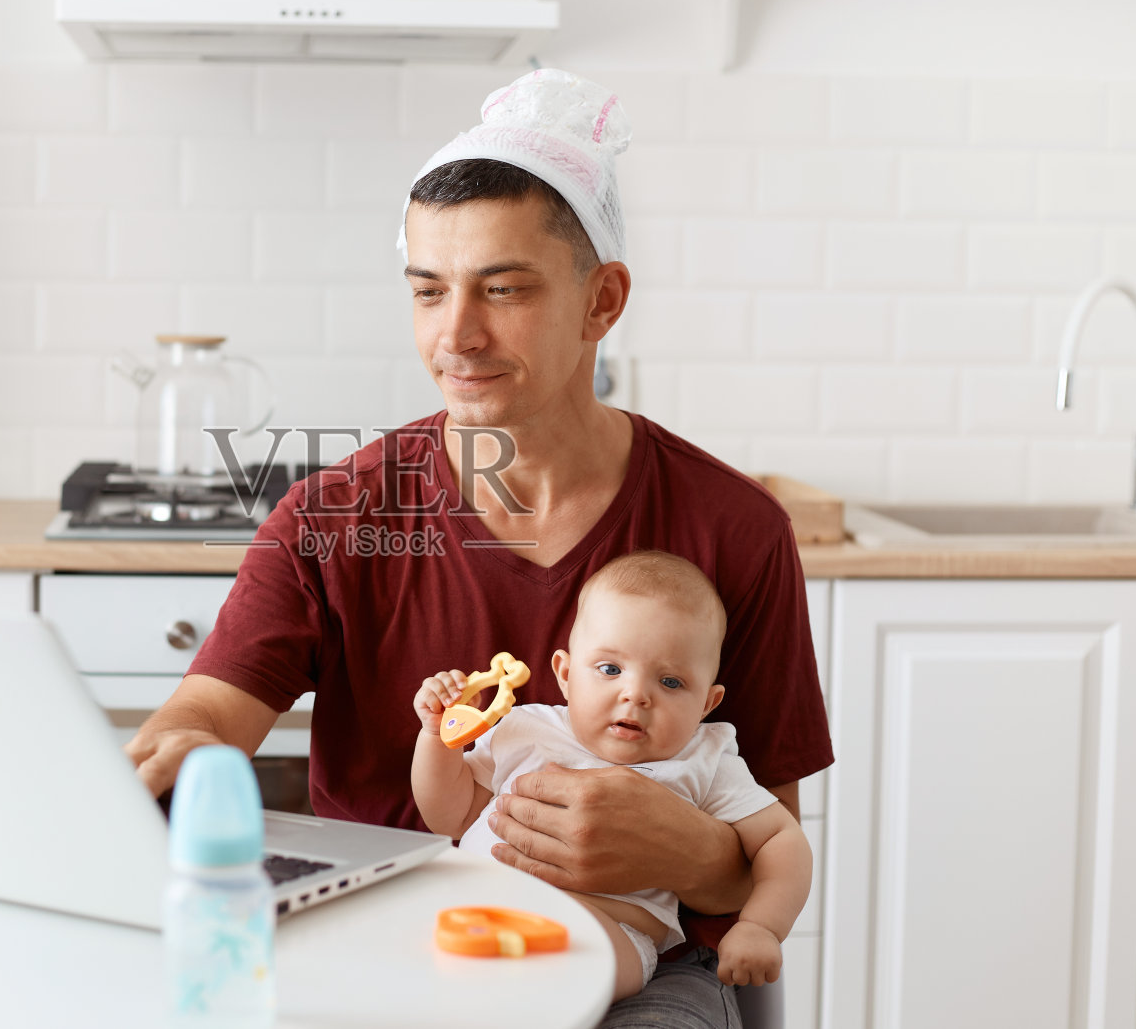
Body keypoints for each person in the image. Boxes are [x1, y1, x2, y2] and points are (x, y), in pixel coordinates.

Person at [126, 68, 832, 1027]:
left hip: (638, 967)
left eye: (501, 290)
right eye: (429, 292)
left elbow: (768, 843)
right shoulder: (332, 516)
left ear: (602, 301)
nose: (456, 334)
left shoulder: (736, 529)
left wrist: (685, 852)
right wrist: (174, 750)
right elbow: (208, 714)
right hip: (387, 951)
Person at [411, 550, 813, 1002]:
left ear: (707, 703)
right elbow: (451, 816)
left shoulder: (705, 759)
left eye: (671, 682)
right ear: (565, 674)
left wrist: (761, 926)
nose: (635, 694)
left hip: (605, 931)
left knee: (558, 977)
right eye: (610, 669)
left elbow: (782, 840)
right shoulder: (526, 729)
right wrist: (437, 737)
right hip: (472, 910)